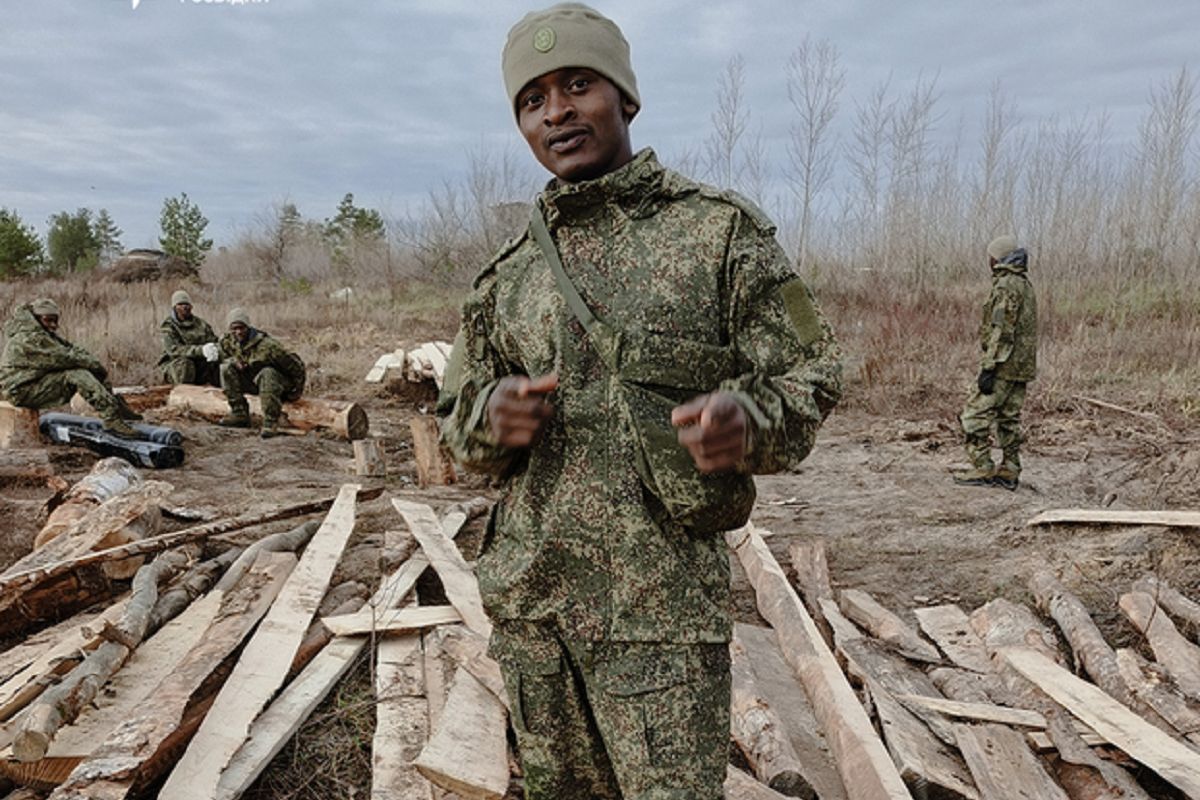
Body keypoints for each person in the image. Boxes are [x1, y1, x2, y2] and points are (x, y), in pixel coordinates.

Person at [438, 5, 842, 798]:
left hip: (657, 621)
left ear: (625, 97)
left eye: (578, 85)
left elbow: (813, 372)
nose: (555, 111)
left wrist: (747, 423)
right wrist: (488, 423)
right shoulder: (508, 275)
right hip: (535, 613)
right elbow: (455, 418)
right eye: (532, 99)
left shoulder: (718, 236)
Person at [954, 234, 1037, 490]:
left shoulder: (1005, 285)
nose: (988, 260)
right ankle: (1010, 468)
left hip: (1003, 364)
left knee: (973, 415)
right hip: (1021, 367)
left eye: (991, 256)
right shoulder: (1025, 284)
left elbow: (1002, 330)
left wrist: (989, 367)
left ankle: (983, 466)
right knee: (1008, 418)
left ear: (999, 258)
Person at [0, 298, 141, 437]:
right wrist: (94, 365)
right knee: (77, 374)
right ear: (36, 318)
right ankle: (111, 419)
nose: (54, 325)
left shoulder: (40, 333)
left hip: (33, 381)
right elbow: (66, 358)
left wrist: (94, 366)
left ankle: (117, 410)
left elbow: (71, 349)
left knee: (91, 371)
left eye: (55, 320)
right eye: (48, 320)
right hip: (21, 391)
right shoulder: (29, 338)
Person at [216, 307, 306, 439]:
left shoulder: (268, 346)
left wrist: (296, 391)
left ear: (248, 327)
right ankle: (239, 413)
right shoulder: (227, 341)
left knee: (267, 373)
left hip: (277, 382)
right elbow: (222, 356)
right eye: (234, 329)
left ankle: (271, 421)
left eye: (242, 328)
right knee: (226, 368)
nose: (238, 332)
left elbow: (296, 367)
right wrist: (234, 361)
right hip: (255, 381)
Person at [158, 289, 219, 386]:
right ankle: (184, 394)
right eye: (180, 304)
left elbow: (213, 341)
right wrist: (201, 350)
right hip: (175, 366)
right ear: (174, 307)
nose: (184, 307)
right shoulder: (168, 326)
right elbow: (174, 351)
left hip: (199, 364)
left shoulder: (201, 324)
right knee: (185, 364)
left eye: (186, 304)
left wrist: (214, 350)